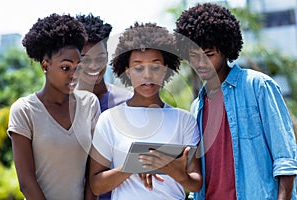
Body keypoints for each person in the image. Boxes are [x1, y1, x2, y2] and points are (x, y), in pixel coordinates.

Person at [175, 3, 297, 200]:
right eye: (193, 57)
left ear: (225, 49)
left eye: (208, 55)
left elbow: (285, 160)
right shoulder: (197, 107)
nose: (200, 64)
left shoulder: (258, 86)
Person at [88, 22, 203, 200]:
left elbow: (196, 182)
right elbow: (96, 185)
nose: (147, 75)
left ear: (166, 69)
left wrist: (176, 172)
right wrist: (133, 165)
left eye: (156, 66)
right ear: (127, 71)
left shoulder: (184, 120)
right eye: (138, 67)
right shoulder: (109, 120)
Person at [7, 13, 100, 200]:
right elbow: (26, 182)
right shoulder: (24, 110)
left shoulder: (89, 104)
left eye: (77, 67)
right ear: (45, 65)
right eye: (66, 68)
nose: (74, 75)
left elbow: (93, 175)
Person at [76, 13, 132, 113]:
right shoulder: (62, 106)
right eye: (85, 60)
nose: (94, 66)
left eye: (100, 58)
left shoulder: (127, 102)